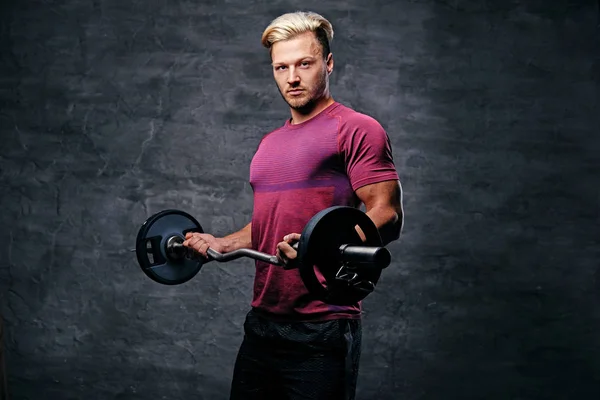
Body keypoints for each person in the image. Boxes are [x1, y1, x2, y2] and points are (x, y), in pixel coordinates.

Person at [183, 11, 404, 400]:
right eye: (281, 67)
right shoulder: (270, 143)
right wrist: (222, 243)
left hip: (323, 324)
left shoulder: (356, 128)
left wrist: (312, 249)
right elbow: (270, 222)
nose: (293, 78)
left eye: (305, 63)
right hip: (263, 321)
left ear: (329, 63)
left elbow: (387, 214)